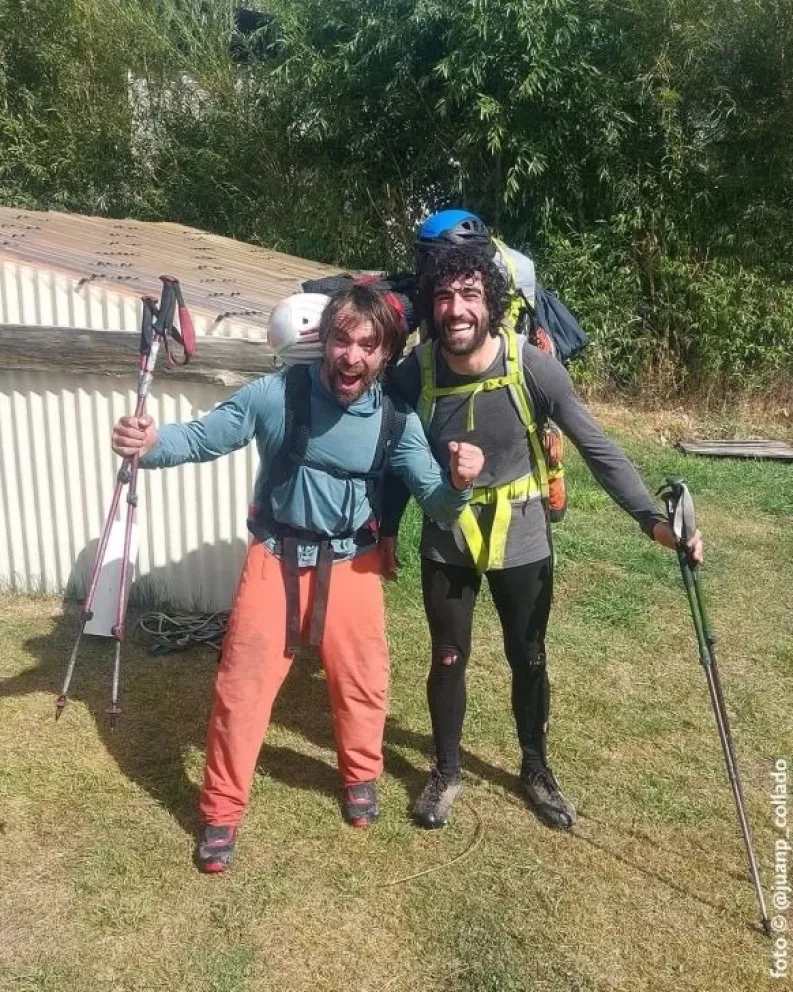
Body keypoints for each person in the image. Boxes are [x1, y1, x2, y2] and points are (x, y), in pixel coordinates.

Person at [111, 283, 484, 872]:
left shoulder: (396, 421)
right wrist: (152, 443)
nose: (351, 357)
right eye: (341, 340)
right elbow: (204, 437)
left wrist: (461, 483)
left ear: (385, 354)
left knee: (363, 680)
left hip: (352, 562)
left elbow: (437, 503)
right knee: (242, 689)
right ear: (323, 340)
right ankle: (221, 813)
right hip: (275, 556)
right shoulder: (276, 396)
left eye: (367, 346)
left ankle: (361, 777)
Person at [379, 238, 703, 831]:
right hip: (448, 531)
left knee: (528, 655)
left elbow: (597, 448)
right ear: (431, 305)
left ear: (492, 302)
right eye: (444, 296)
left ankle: (535, 769)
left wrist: (652, 522)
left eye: (470, 294)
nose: (456, 308)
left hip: (522, 529)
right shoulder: (414, 374)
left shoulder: (530, 365)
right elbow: (394, 457)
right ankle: (446, 772)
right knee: (448, 656)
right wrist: (384, 532)